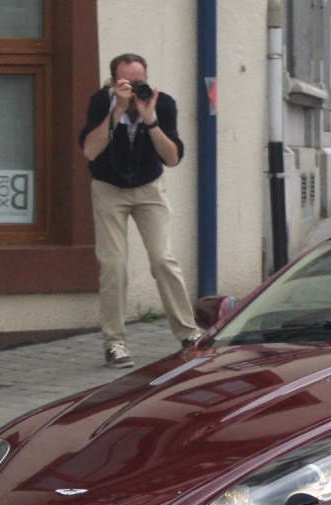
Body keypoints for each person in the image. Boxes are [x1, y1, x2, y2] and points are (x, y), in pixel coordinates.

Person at [80, 52, 200, 368]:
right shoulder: (100, 102)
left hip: (149, 188)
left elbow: (172, 158)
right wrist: (117, 111)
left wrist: (150, 119)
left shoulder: (163, 103)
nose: (134, 88)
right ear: (113, 80)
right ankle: (114, 343)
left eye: (140, 81)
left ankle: (188, 335)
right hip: (109, 188)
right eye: (127, 82)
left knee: (163, 259)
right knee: (114, 264)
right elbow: (90, 150)